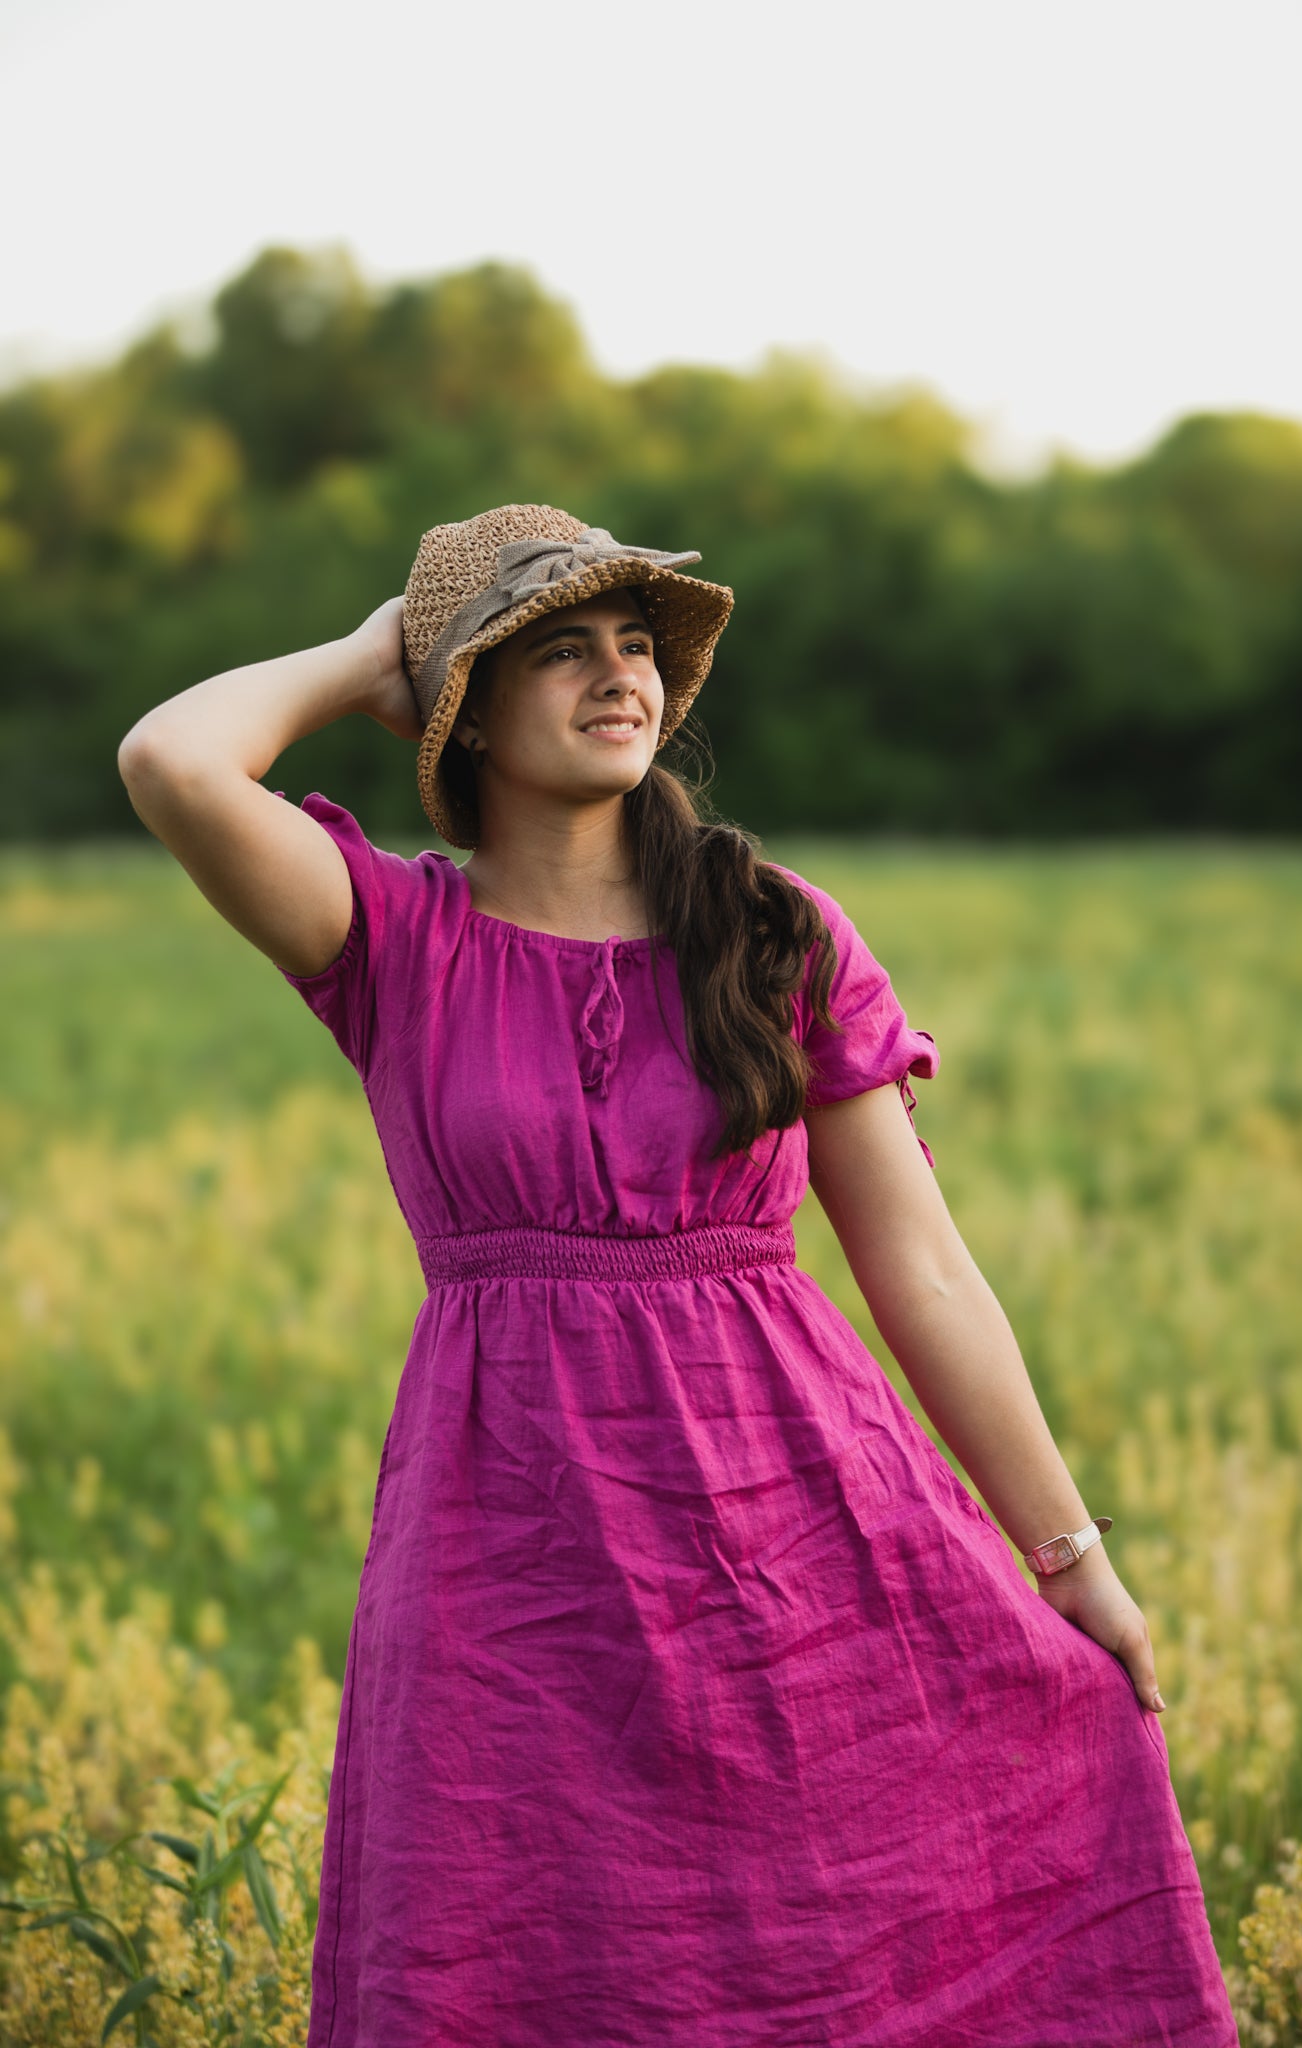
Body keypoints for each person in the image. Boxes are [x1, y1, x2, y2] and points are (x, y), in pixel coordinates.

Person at [117, 504, 1238, 2047]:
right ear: (465, 706)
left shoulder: (772, 931)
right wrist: (382, 649)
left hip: (802, 1521)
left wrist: (1069, 1560)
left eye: (636, 645)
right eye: (560, 649)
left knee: (848, 1942)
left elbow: (921, 1270)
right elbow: (174, 764)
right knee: (527, 1943)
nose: (621, 676)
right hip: (509, 1557)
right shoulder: (389, 930)